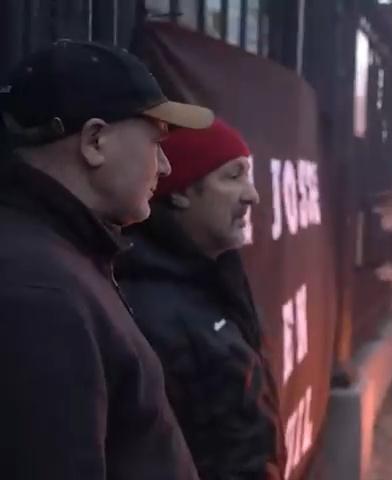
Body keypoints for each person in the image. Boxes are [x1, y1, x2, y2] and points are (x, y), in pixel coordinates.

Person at [0, 40, 213, 479]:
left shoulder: (60, 256)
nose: (167, 166)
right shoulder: (41, 295)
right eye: (156, 142)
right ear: (95, 141)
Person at [116, 119, 282, 479]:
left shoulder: (221, 276)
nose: (252, 195)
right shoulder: (142, 306)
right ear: (181, 191)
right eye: (233, 176)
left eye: (248, 176)